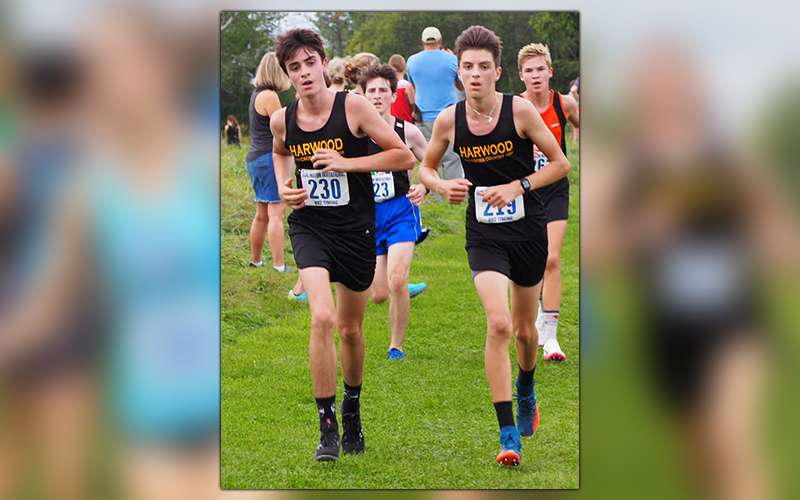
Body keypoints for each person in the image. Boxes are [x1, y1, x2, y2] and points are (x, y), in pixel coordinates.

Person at [418, 25, 569, 466]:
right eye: (468, 67)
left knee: (525, 332)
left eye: (484, 67)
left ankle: (526, 388)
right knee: (499, 325)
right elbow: (425, 169)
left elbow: (560, 164)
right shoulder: (449, 119)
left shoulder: (520, 112)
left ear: (498, 72)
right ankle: (507, 433)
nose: (476, 74)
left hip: (527, 231)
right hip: (483, 235)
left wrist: (519, 186)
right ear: (458, 74)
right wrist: (442, 185)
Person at [270, 28, 415, 461]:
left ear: (322, 62)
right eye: (294, 68)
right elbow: (280, 151)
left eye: (310, 62)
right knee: (322, 317)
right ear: (288, 75)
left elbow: (403, 156)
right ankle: (327, 426)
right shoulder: (284, 117)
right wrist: (285, 186)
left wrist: (347, 162)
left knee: (351, 329)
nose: (304, 73)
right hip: (311, 225)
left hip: (355, 229)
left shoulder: (352, 106)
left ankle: (352, 410)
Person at [359, 64, 429, 359]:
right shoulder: (354, 135)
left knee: (397, 280)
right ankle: (397, 286)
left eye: (382, 91)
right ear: (362, 96)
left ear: (392, 94)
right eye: (371, 91)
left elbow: (429, 165)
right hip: (368, 217)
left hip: (401, 210)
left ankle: (396, 346)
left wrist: (425, 187)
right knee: (378, 294)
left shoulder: (407, 132)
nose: (376, 96)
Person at [518, 43, 579, 362]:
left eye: (541, 69)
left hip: (555, 188)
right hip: (526, 192)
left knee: (552, 259)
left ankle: (552, 338)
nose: (536, 75)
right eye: (529, 70)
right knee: (532, 261)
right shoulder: (515, 107)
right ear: (520, 76)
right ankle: (540, 315)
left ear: (550, 72)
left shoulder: (564, 103)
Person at [245, 52, 306, 301]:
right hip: (268, 158)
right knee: (276, 213)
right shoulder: (270, 96)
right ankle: (280, 265)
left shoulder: (256, 94)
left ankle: (257, 260)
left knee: (261, 213)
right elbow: (284, 126)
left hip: (254, 158)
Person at [406, 26, 465, 180]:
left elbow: (412, 87)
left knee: (430, 159)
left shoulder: (412, 61)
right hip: (449, 116)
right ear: (440, 41)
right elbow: (461, 86)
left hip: (424, 117)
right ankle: (454, 195)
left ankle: (434, 193)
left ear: (422, 42)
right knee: (452, 158)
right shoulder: (452, 60)